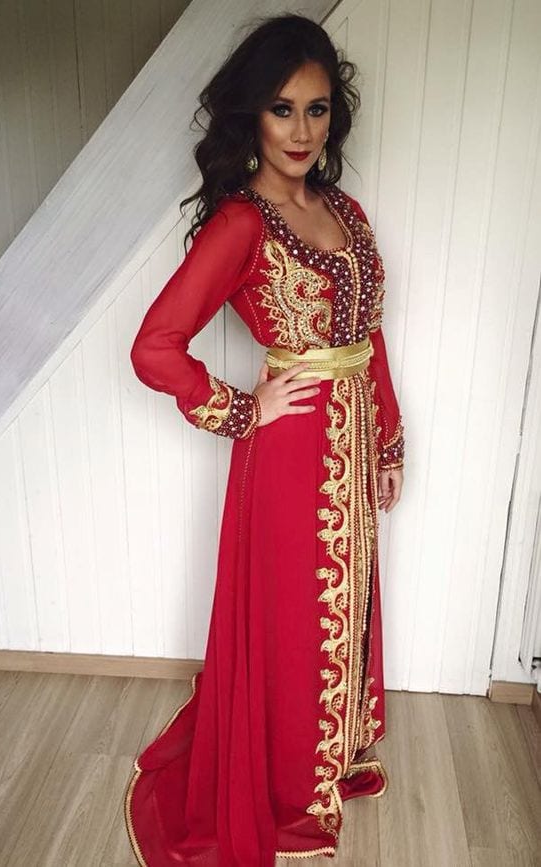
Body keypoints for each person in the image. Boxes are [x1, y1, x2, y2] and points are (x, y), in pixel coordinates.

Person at [124, 12, 404, 867]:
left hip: (351, 445)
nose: (300, 130)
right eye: (282, 109)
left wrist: (389, 439)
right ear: (253, 114)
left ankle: (327, 757)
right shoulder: (243, 224)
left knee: (342, 603)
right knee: (292, 620)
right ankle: (285, 786)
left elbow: (368, 336)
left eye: (316, 109)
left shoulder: (344, 211)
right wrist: (241, 410)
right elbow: (155, 346)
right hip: (288, 456)